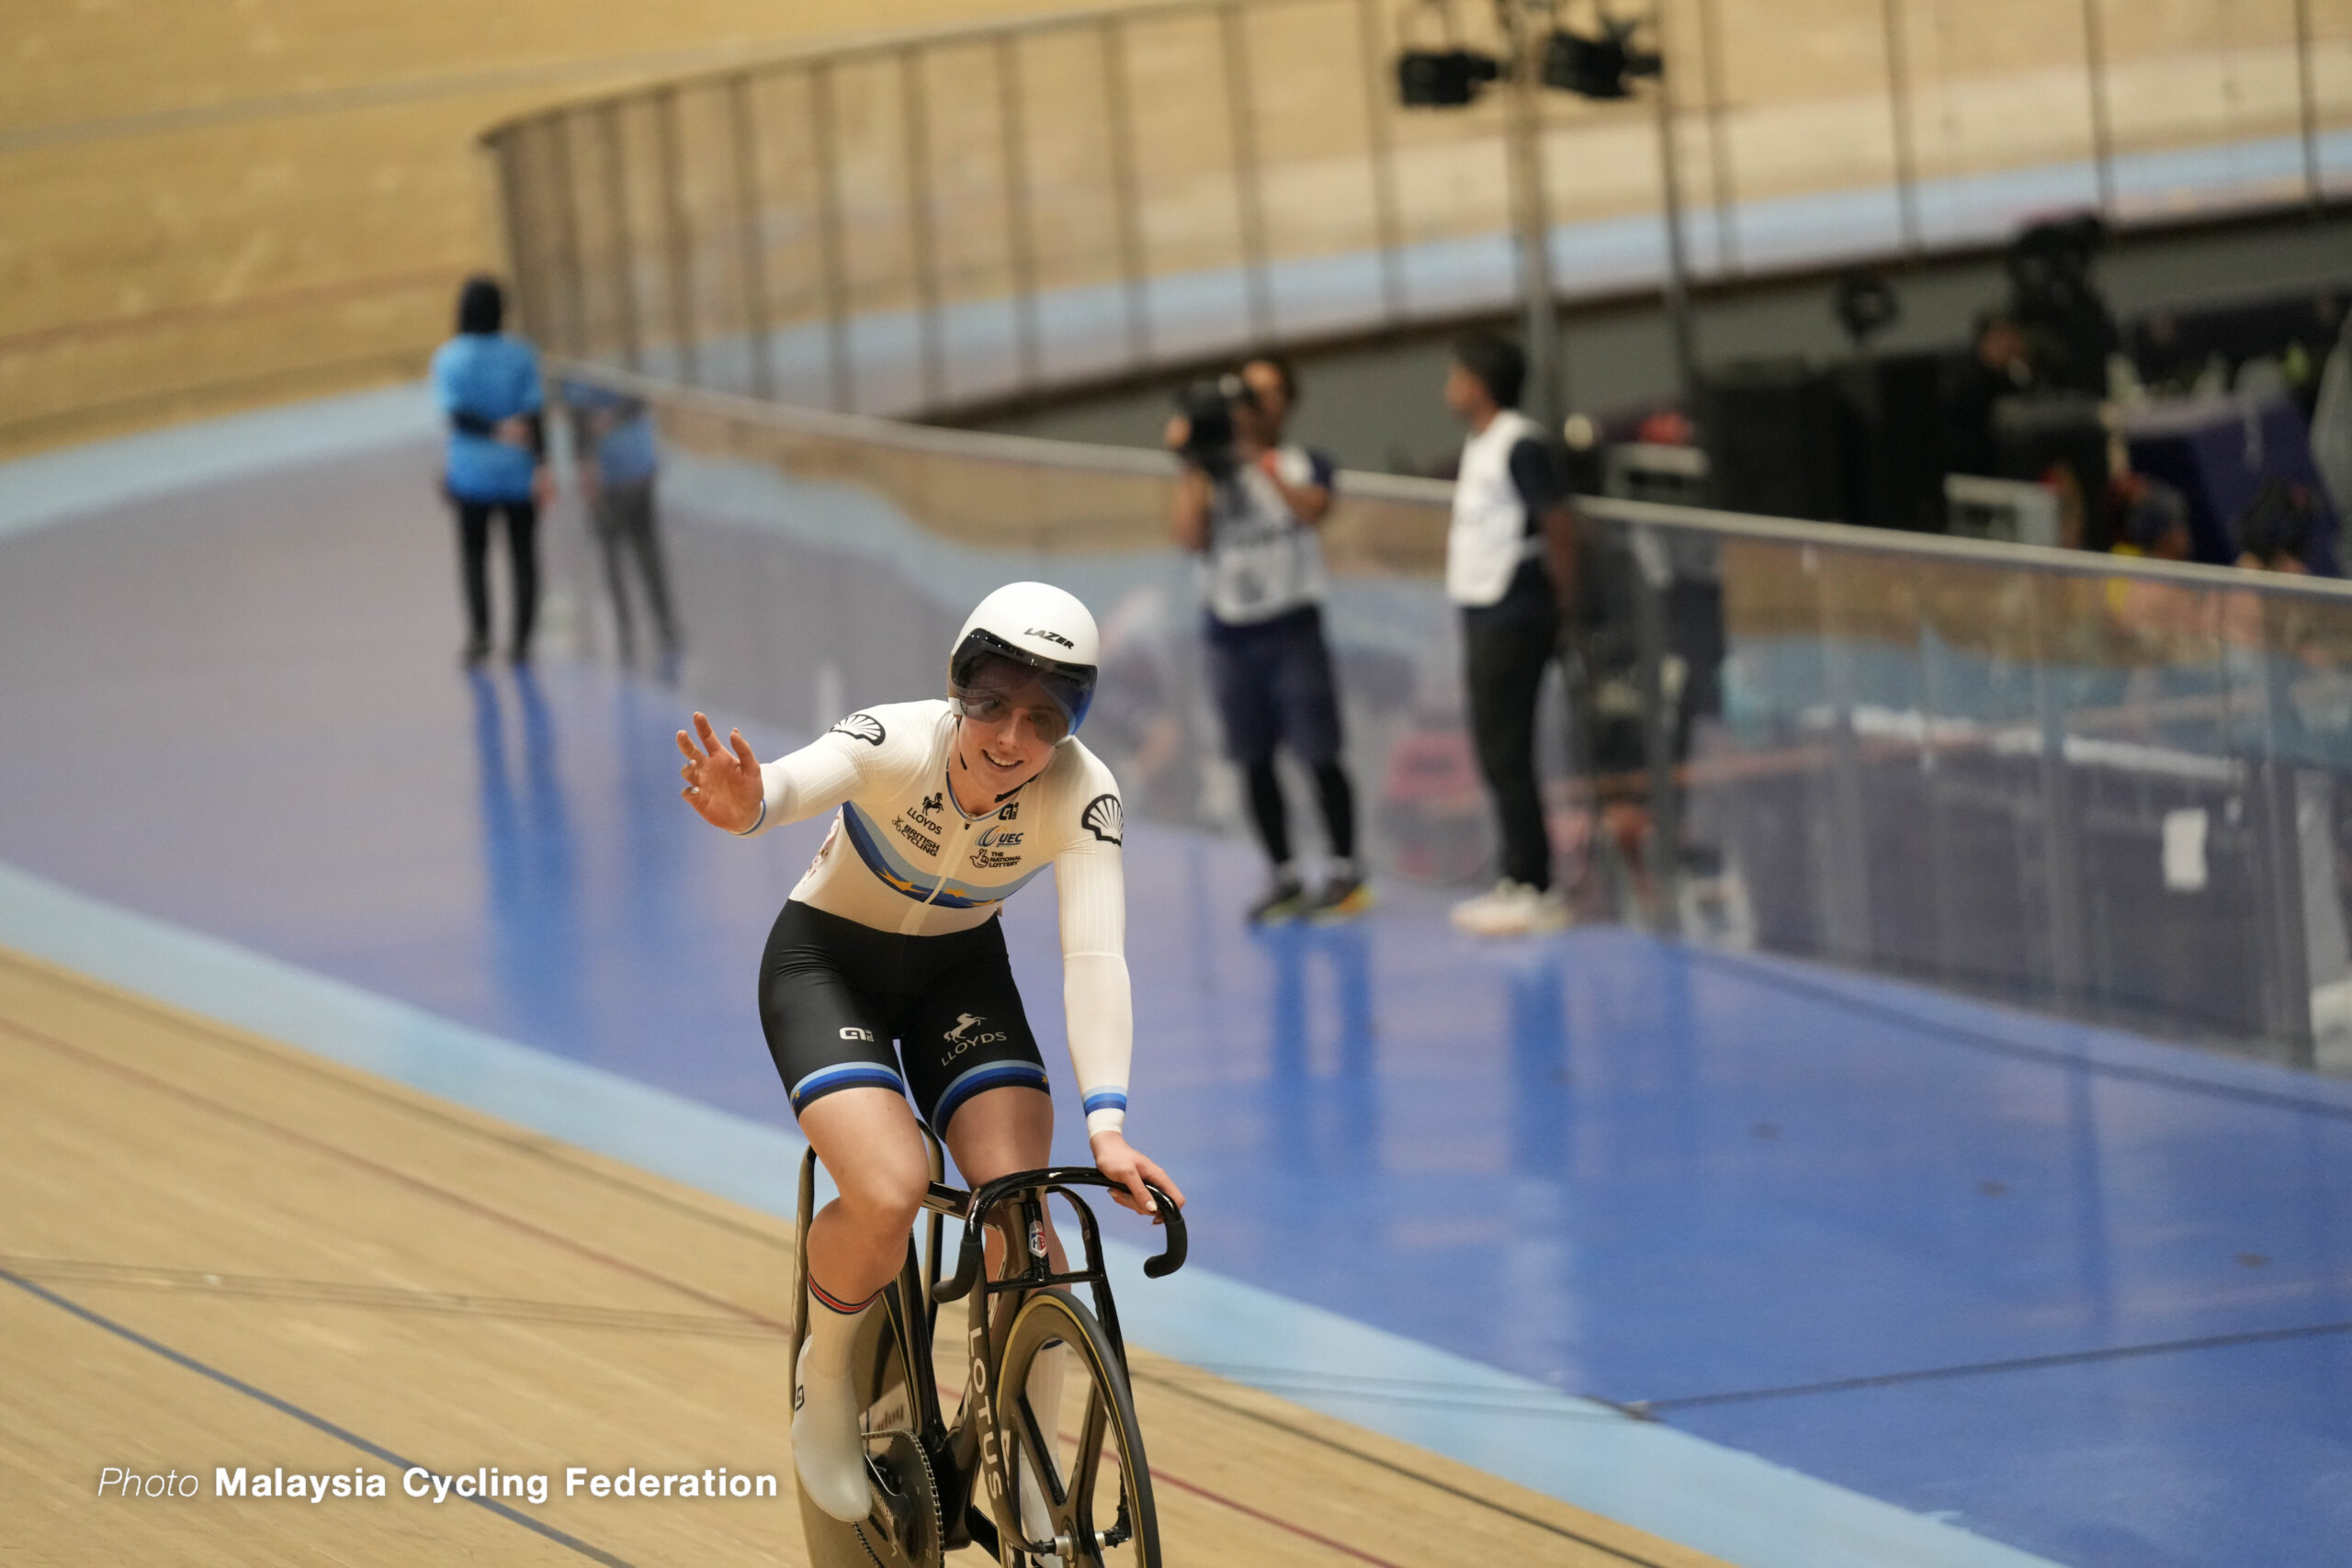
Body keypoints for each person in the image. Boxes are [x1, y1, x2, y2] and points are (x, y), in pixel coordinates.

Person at [672, 581, 1183, 1528]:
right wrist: (750, 805)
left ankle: (1025, 1455)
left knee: (1025, 1210)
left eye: (1044, 717)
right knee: (895, 1185)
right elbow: (791, 783)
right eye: (989, 701)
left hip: (958, 975)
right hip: (827, 965)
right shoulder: (893, 740)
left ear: (1072, 725)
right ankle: (824, 1381)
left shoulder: (1083, 792)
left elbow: (1095, 956)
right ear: (956, 686)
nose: (1009, 737)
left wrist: (1107, 1125)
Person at [1168, 356, 1370, 924]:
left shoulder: (1304, 463)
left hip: (1292, 626)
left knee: (1319, 752)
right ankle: (1282, 873)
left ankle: (1344, 868)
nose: (1247, 409)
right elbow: (1189, 537)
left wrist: (1259, 459)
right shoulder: (1207, 476)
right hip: (1230, 632)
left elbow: (1313, 511)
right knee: (1252, 757)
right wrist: (1193, 460)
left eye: (1260, 397)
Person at [1442, 333, 1579, 936]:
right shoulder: (1483, 443)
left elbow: (1557, 521)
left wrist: (1565, 605)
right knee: (1495, 749)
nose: (1448, 386)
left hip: (1513, 610)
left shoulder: (1520, 443)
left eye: (1457, 373)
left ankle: (1534, 882)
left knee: (1508, 748)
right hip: (1482, 608)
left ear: (1480, 382)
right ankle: (1517, 873)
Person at [432, 276, 550, 665]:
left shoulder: (449, 357)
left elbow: (456, 415)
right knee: (523, 554)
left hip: (471, 473)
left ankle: (480, 635)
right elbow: (535, 415)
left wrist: (488, 432)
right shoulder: (522, 354)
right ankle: (521, 640)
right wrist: (543, 465)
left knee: (473, 555)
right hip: (516, 470)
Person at [563, 378, 681, 671]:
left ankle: (634, 625)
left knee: (621, 553)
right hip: (635, 469)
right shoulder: (617, 368)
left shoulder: (581, 383)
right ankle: (656, 624)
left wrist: (588, 478)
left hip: (621, 475)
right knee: (640, 551)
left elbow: (581, 437)